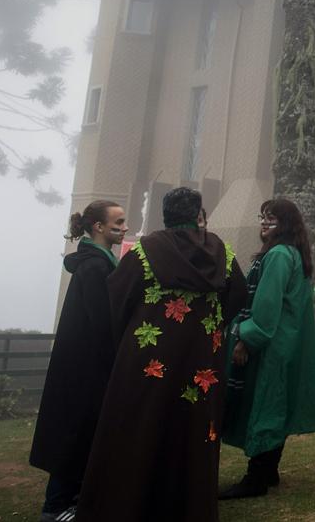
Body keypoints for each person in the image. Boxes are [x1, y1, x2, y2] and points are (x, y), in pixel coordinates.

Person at [77, 188, 247, 522]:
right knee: (192, 430)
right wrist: (208, 327)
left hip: (148, 362)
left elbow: (118, 299)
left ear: (165, 215)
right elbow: (237, 297)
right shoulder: (222, 253)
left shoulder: (146, 250)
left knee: (142, 424)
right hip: (202, 363)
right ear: (198, 214)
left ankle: (134, 505)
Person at [219, 198, 315, 499]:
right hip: (287, 343)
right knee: (276, 408)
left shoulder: (278, 255)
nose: (264, 222)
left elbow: (266, 308)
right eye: (262, 216)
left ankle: (256, 478)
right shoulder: (292, 253)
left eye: (272, 218)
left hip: (272, 345)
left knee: (265, 408)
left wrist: (245, 338)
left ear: (286, 224)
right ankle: (268, 470)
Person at [30, 201, 128, 522]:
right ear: (98, 227)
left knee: (80, 434)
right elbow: (103, 322)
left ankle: (73, 502)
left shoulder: (98, 263)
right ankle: (56, 507)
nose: (124, 228)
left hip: (83, 365)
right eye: (118, 222)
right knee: (75, 435)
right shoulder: (95, 267)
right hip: (86, 368)